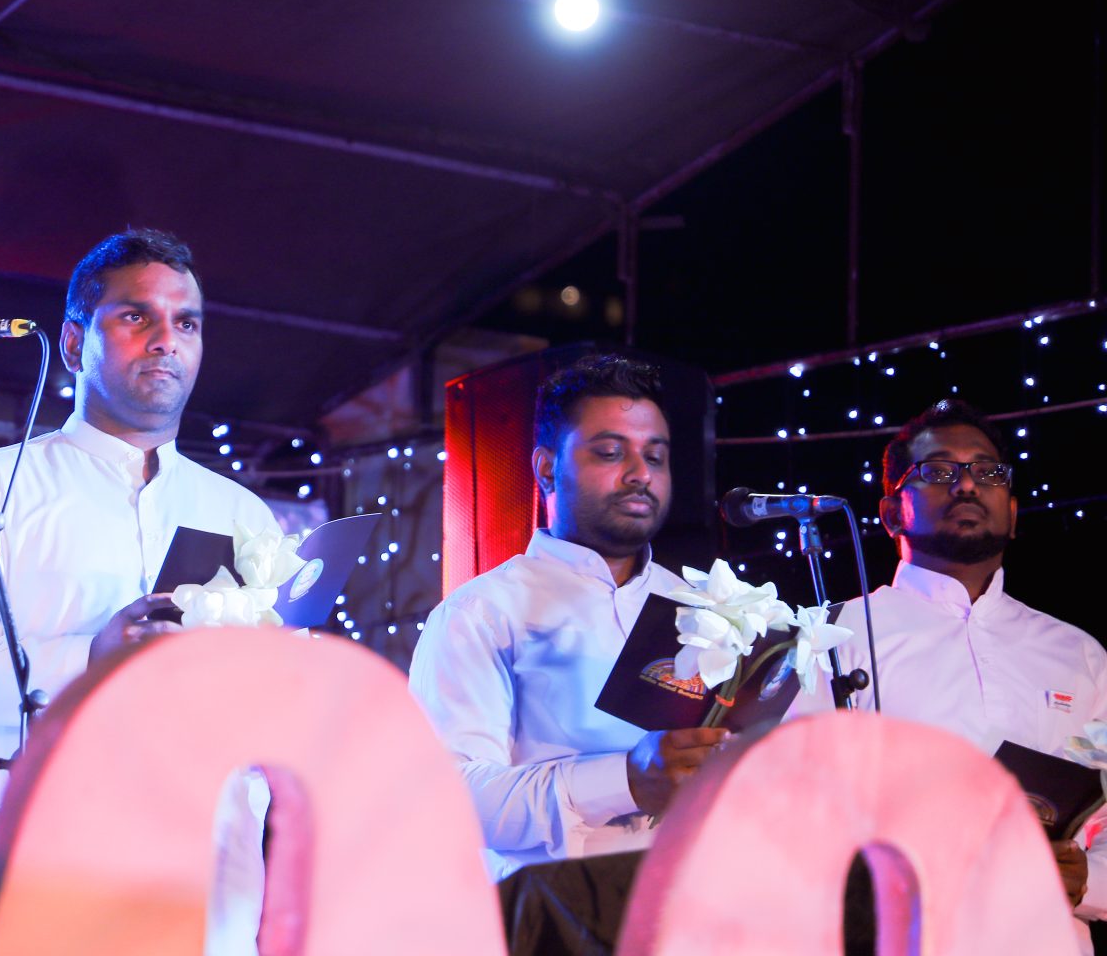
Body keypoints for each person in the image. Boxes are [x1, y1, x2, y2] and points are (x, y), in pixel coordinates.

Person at [0, 227, 279, 956]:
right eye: (137, 316)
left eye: (187, 322)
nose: (166, 339)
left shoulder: (243, 514)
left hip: (204, 870)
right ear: (74, 345)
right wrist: (91, 658)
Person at [408, 352, 725, 880]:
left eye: (656, 456)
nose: (639, 474)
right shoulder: (483, 612)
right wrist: (623, 779)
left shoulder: (704, 608)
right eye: (609, 452)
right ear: (547, 467)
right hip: (551, 922)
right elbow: (447, 799)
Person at [790, 398, 1106, 928]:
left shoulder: (1077, 654)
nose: (966, 485)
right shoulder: (830, 635)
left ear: (1012, 513)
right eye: (938, 471)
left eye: (987, 472)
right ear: (892, 513)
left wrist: (1084, 881)